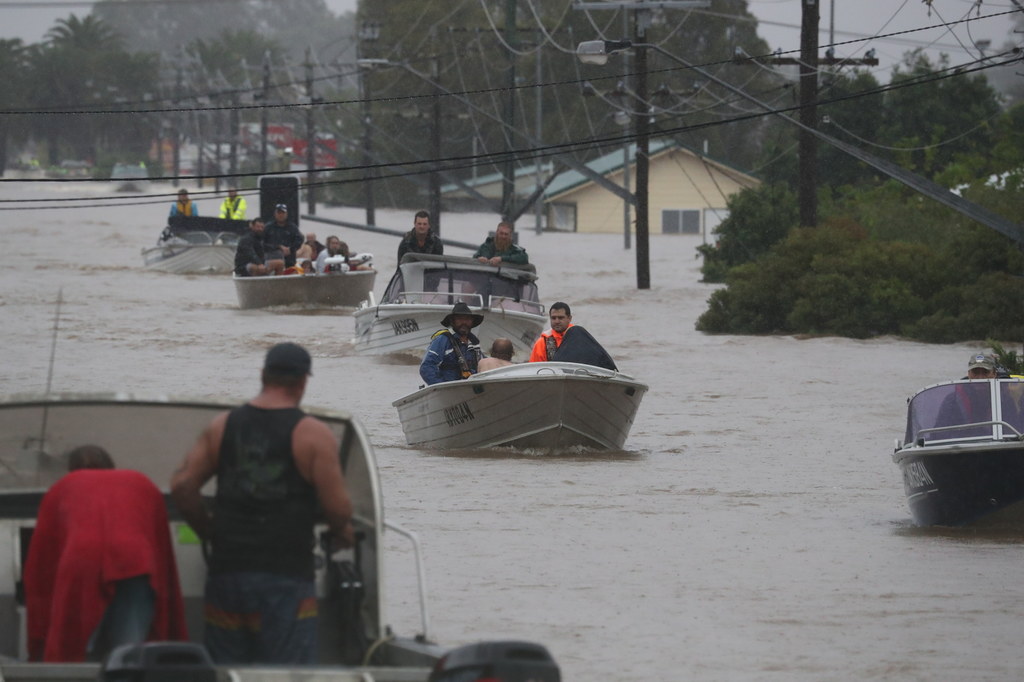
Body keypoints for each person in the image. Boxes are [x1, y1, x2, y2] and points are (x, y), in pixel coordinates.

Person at [170, 343, 355, 665]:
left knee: (228, 671)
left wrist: (209, 531)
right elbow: (338, 509)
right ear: (302, 382)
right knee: (286, 674)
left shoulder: (222, 426)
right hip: (286, 577)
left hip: (228, 572)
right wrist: (342, 533)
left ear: (262, 376)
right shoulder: (312, 434)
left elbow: (183, 486)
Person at [25, 445, 188, 663]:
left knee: (80, 650)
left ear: (72, 470)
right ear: (111, 465)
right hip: (136, 561)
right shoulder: (142, 483)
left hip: (82, 560)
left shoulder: (62, 487)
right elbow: (161, 545)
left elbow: (41, 561)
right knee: (129, 654)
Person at [528, 302, 618, 370]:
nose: (557, 321)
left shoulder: (580, 338)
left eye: (561, 317)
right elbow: (533, 370)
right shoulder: (542, 343)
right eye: (553, 318)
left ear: (569, 318)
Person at [420, 302, 484, 385]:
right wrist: (442, 386)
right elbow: (426, 367)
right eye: (460, 319)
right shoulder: (443, 339)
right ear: (452, 321)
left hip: (471, 388)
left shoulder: (475, 343)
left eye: (467, 319)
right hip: (448, 389)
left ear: (472, 322)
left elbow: (484, 365)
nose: (464, 322)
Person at [264, 203, 304, 268]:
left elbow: (299, 240)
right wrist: (278, 247)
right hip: (271, 261)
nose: (281, 215)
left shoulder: (292, 227)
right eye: (279, 213)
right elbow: (262, 243)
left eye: (283, 213)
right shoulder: (268, 227)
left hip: (289, 261)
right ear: (275, 214)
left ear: (286, 214)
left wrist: (290, 249)